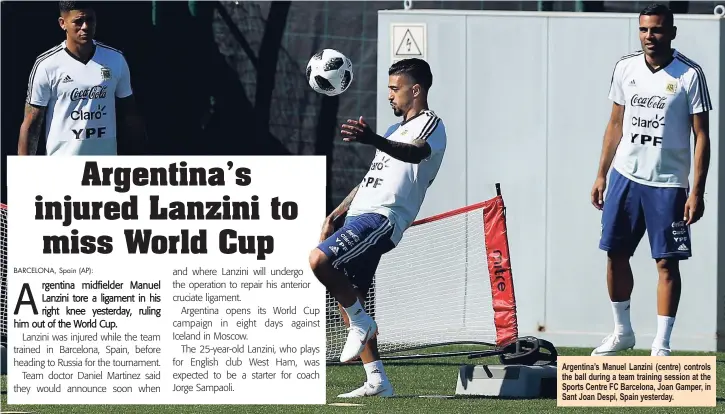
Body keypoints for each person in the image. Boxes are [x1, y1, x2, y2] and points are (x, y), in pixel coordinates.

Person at [309, 58, 446, 397]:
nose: (389, 96)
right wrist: (337, 212)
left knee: (319, 261)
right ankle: (377, 381)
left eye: (394, 89)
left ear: (415, 90)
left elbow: (414, 154)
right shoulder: (390, 131)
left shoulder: (430, 124)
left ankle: (362, 323)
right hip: (360, 214)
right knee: (349, 293)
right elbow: (372, 177)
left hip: (383, 218)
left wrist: (373, 139)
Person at [590, 3, 712, 357]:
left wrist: (697, 191)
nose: (649, 37)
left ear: (671, 32)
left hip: (668, 183)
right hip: (625, 177)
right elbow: (615, 124)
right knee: (615, 253)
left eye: (657, 30)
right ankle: (622, 331)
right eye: (644, 30)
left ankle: (662, 343)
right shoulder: (625, 68)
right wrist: (601, 173)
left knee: (666, 262)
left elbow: (701, 136)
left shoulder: (689, 75)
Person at [18, 1, 146, 156]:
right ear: (62, 23)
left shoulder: (115, 60)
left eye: (90, 20)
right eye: (78, 21)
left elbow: (130, 115)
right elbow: (31, 125)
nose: (85, 26)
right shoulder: (47, 65)